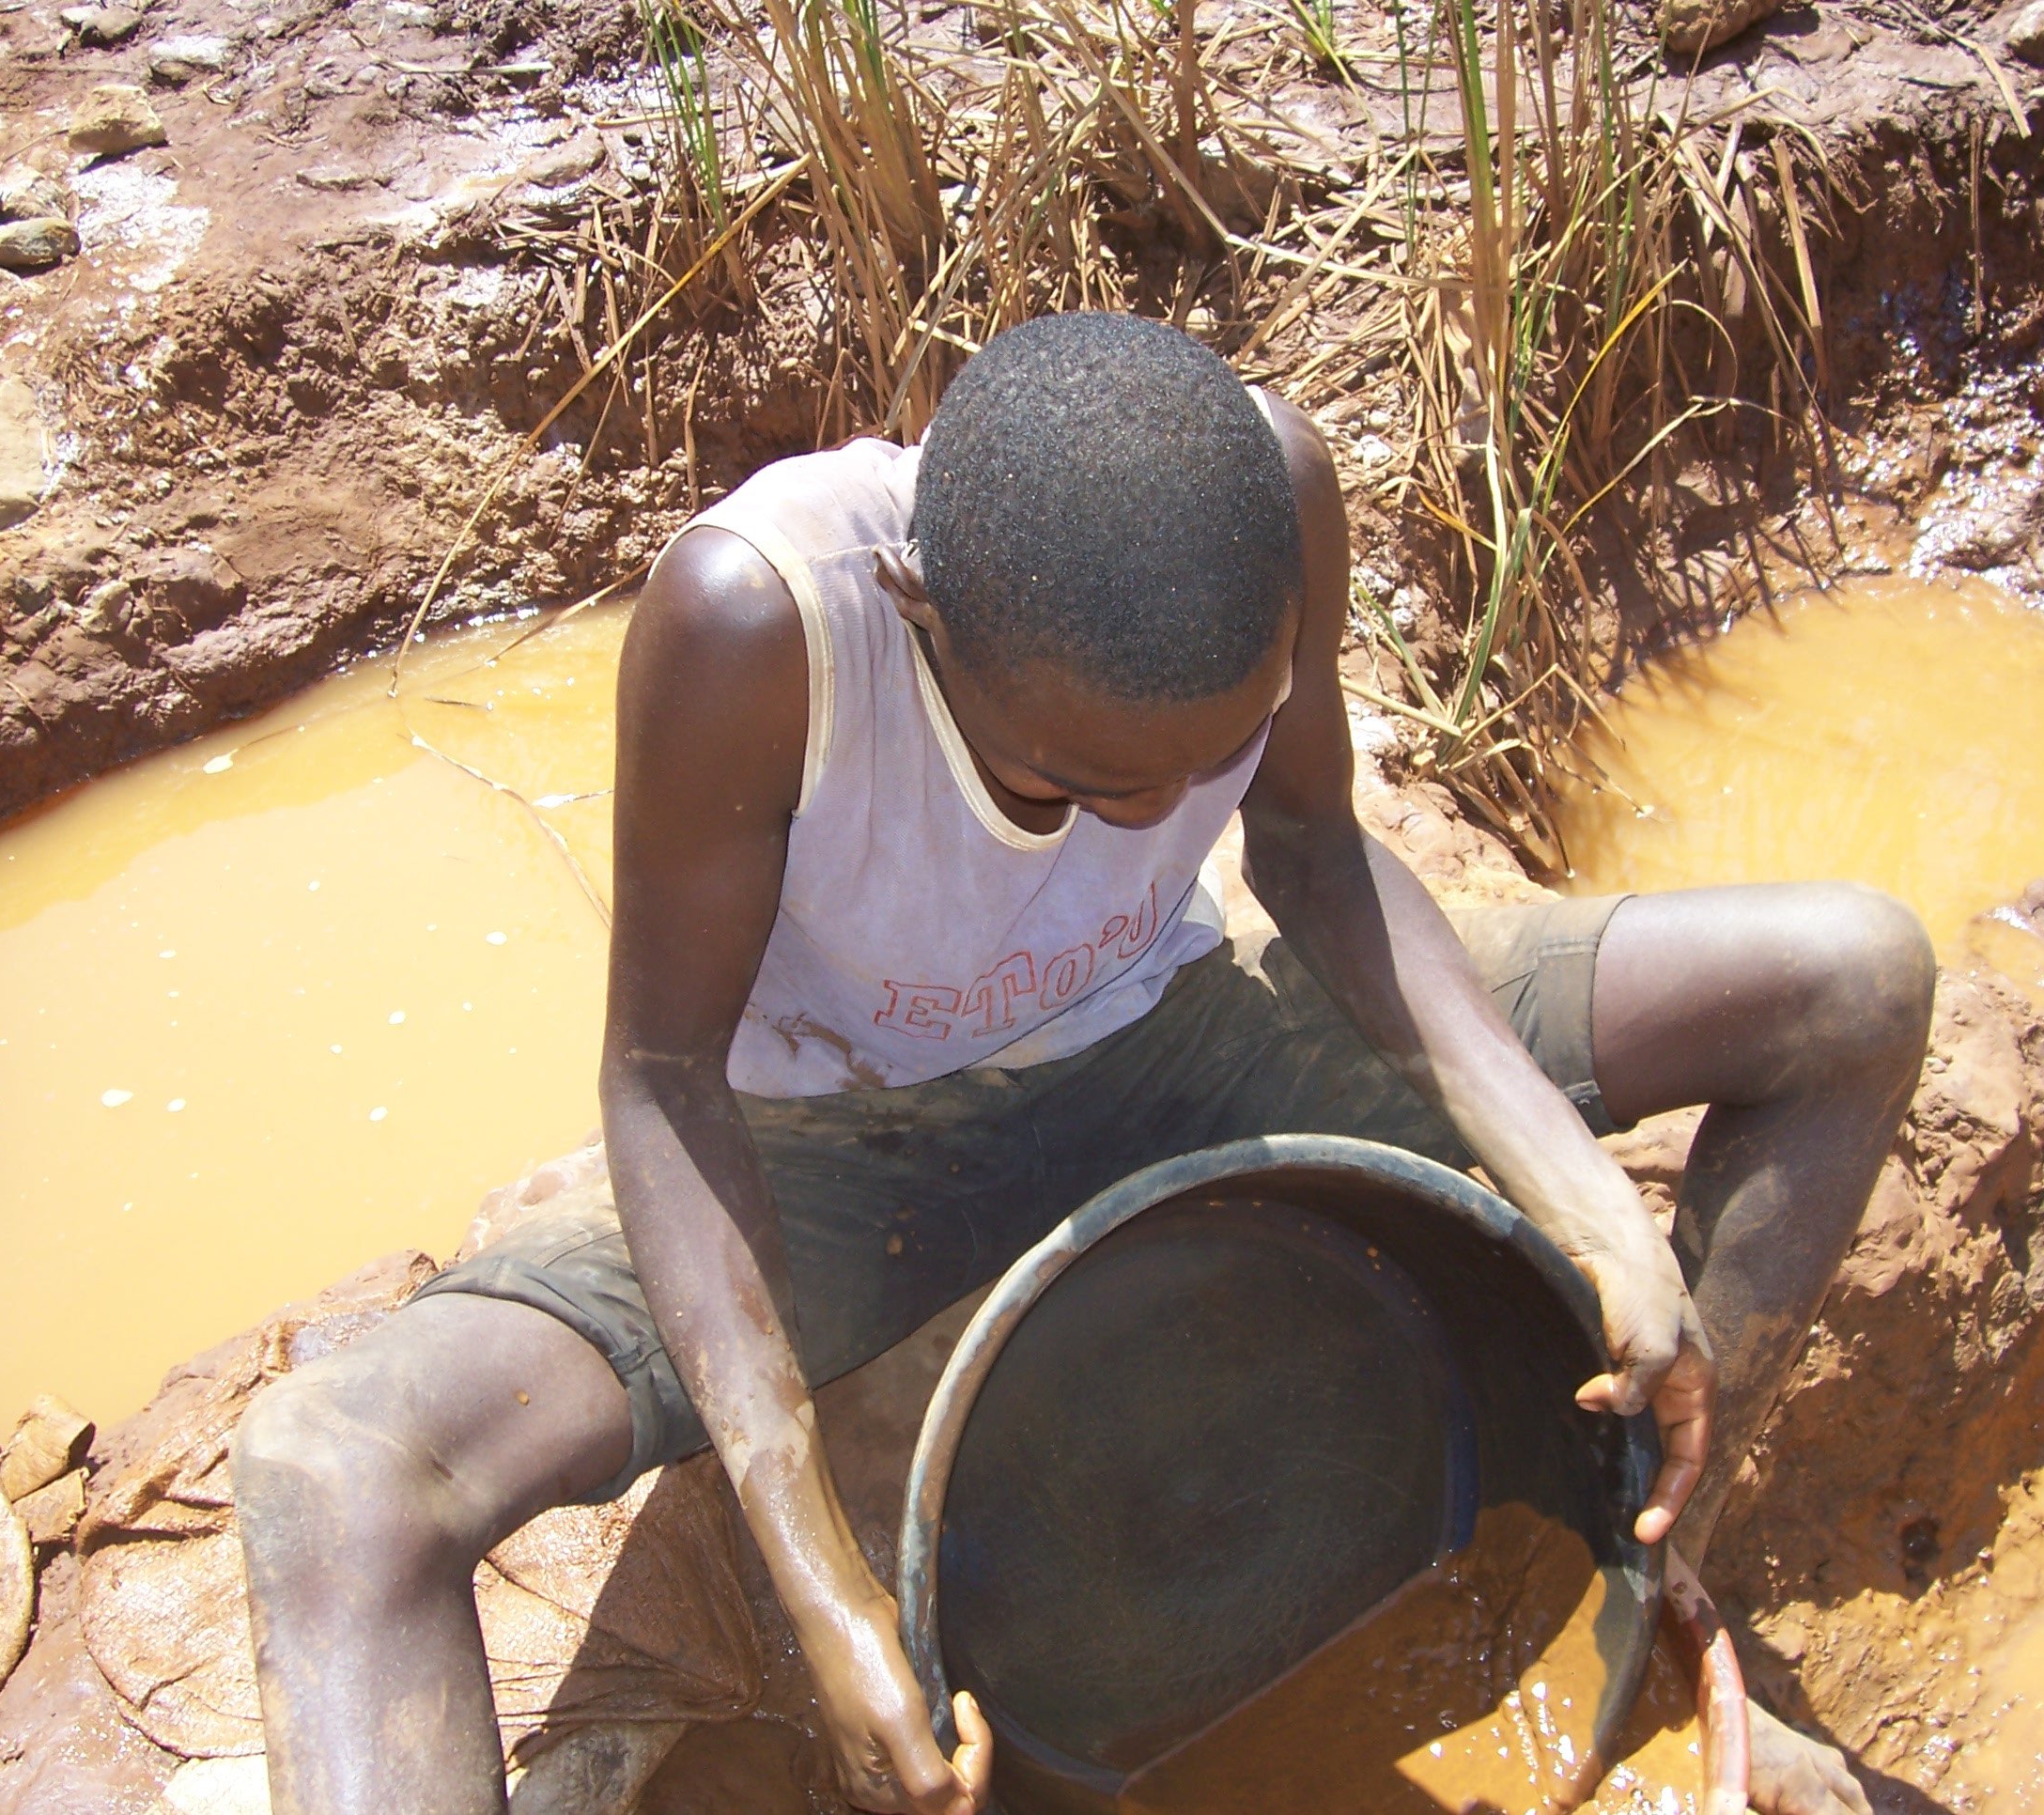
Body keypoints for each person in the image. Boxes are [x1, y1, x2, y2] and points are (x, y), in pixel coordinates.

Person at [234, 312, 1928, 1815]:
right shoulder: (762, 623)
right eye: (1074, 783)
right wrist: (816, 1574)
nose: (1142, 816)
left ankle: (1652, 1572)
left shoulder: (1267, 486)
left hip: (1180, 1036)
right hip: (846, 1149)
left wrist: (1594, 1212)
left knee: (1849, 975)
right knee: (343, 1475)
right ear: (922, 616)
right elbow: (663, 1072)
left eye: (1195, 762)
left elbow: (1318, 851)